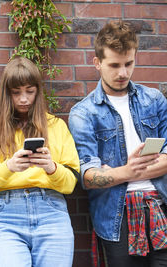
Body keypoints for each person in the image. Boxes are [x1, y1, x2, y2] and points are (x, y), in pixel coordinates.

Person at [69, 20, 167, 267]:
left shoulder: (154, 99)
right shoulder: (83, 113)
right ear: (97, 63)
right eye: (114, 65)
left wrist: (116, 172)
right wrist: (130, 170)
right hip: (117, 215)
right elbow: (88, 177)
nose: (123, 73)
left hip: (161, 205)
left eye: (128, 64)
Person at [0, 57, 80, 267]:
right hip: (4, 214)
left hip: (52, 211)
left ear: (38, 91)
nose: (23, 99)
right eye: (16, 92)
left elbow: (70, 183)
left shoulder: (56, 125)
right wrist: (8, 167)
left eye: (30, 91)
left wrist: (52, 168)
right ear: (7, 93)